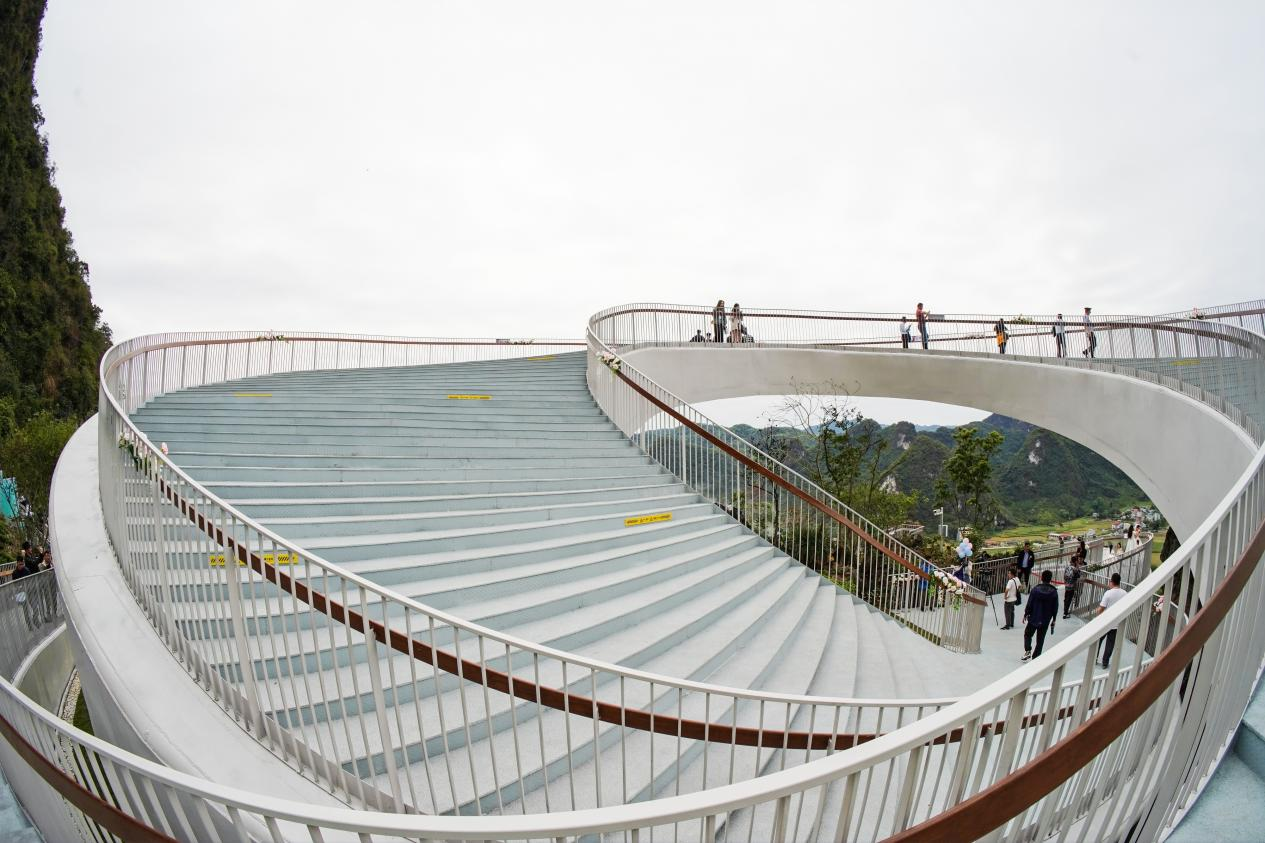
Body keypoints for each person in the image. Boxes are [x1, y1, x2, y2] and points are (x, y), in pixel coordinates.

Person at [1022, 570, 1060, 661]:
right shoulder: (1054, 592)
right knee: (1040, 639)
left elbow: (1030, 603)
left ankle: (1028, 650)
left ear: (1041, 578)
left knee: (1028, 634)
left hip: (1034, 617)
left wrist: (1026, 613)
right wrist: (1054, 619)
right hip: (1045, 619)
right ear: (1050, 579)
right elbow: (1055, 607)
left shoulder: (1035, 590)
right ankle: (1036, 658)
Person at [1097, 572, 1127, 668]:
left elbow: (1101, 608)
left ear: (1112, 582)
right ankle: (1105, 663)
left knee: (1098, 640)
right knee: (1110, 644)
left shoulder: (1108, 593)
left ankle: (1094, 658)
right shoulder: (1124, 593)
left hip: (1105, 622)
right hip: (1116, 623)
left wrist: (1097, 614)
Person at [1062, 554, 1083, 618]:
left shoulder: (1067, 567)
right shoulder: (1075, 569)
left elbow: (1064, 576)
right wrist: (1077, 567)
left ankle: (1065, 610)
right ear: (1076, 561)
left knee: (1066, 598)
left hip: (1067, 585)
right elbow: (1079, 575)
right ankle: (1065, 613)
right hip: (1072, 586)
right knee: (1069, 599)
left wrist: (1065, 582)